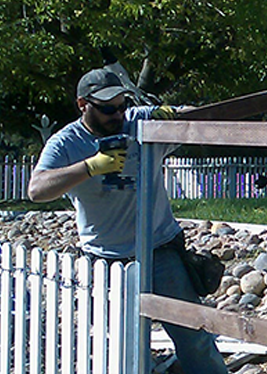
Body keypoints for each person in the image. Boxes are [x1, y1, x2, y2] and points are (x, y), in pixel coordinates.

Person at [28, 68, 228, 374]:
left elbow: (201, 118)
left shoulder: (141, 120)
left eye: (122, 105)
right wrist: (90, 167)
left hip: (160, 250)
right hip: (107, 259)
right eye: (108, 109)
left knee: (194, 336)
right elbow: (36, 190)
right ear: (83, 105)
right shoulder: (67, 143)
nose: (118, 114)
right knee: (124, 345)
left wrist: (176, 116)